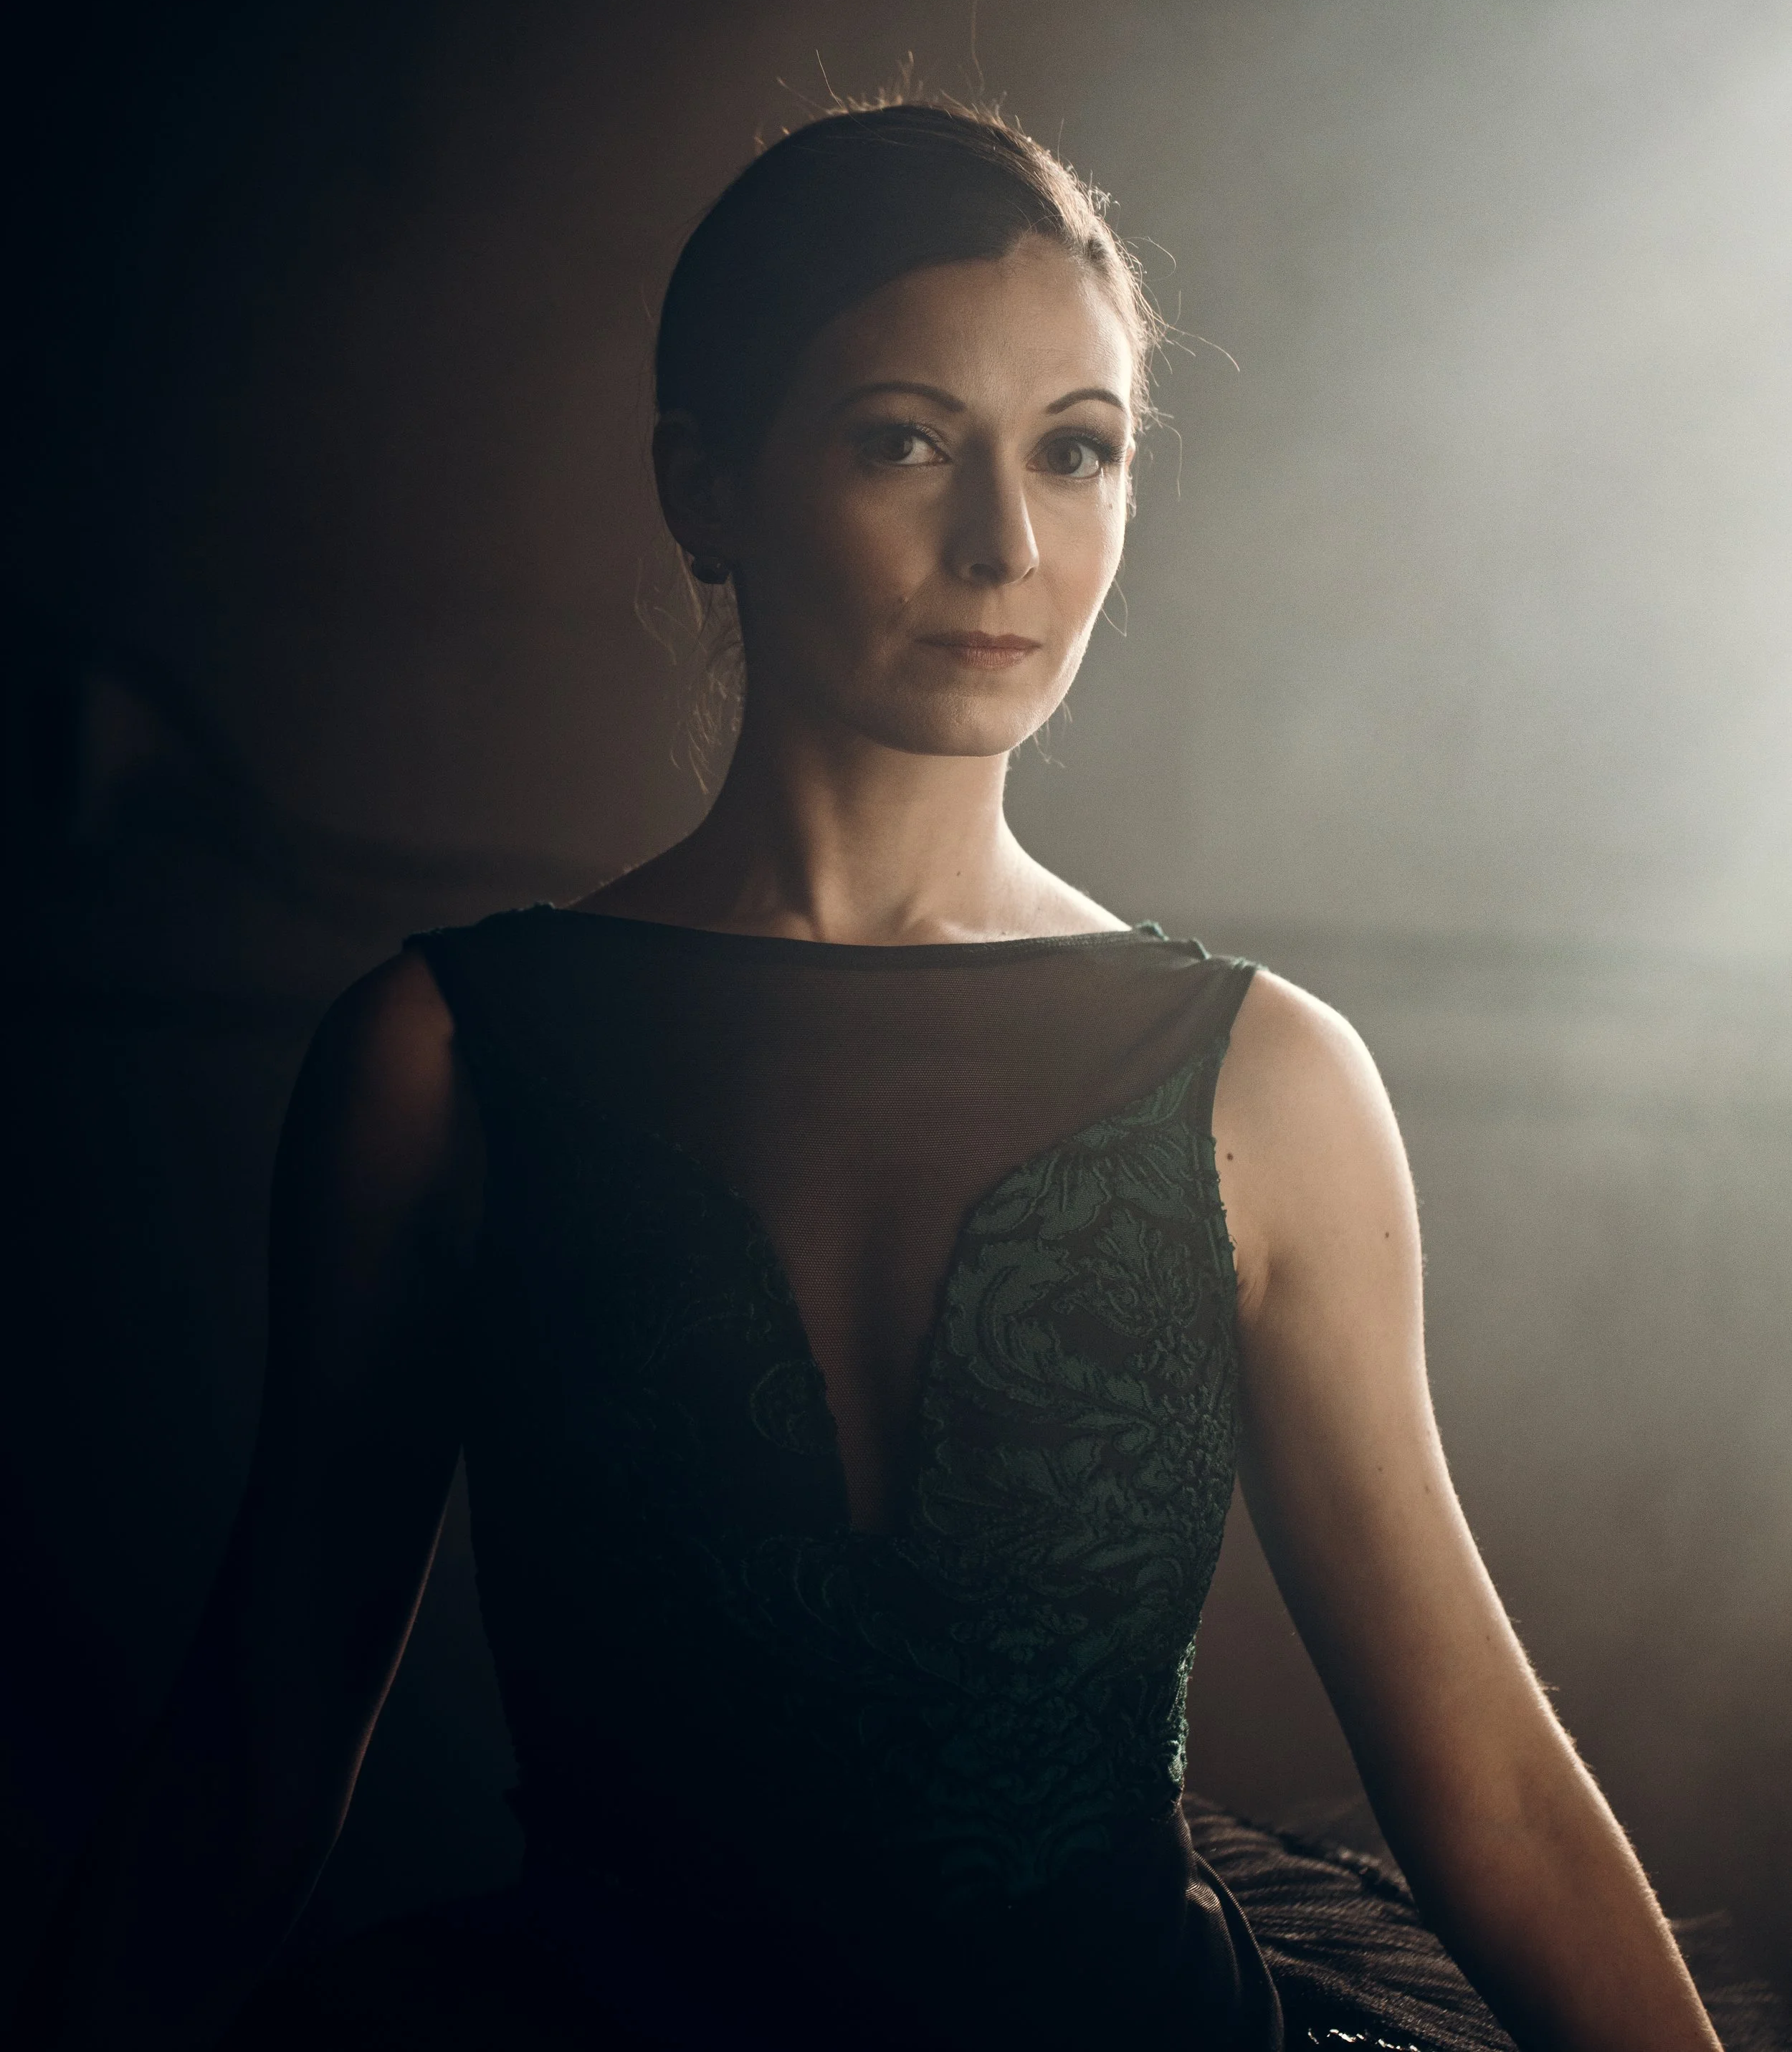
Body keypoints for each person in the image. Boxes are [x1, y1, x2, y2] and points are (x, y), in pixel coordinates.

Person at [15, 102, 1732, 2052]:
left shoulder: (1262, 1082)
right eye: (902, 440)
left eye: (1075, 452)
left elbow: (1486, 1789)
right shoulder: (438, 1060)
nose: (1005, 542)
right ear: (706, 484)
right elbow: (252, 1764)